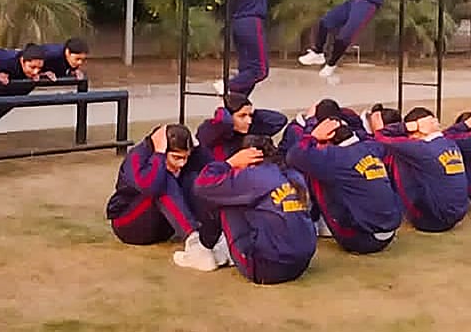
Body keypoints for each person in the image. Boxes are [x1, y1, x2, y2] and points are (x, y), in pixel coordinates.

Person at [192, 134, 316, 284]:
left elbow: (201, 185)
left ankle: (203, 251)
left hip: (267, 270)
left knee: (220, 194)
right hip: (300, 265)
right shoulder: (294, 175)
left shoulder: (254, 176)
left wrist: (230, 162)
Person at [106, 124, 225, 271]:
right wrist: (159, 155)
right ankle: (196, 246)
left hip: (163, 227)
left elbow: (213, 169)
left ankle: (214, 238)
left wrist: (198, 147)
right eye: (176, 158)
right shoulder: (137, 156)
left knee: (196, 178)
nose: (182, 163)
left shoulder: (184, 160)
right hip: (127, 224)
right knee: (163, 180)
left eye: (185, 158)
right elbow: (151, 187)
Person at [287, 118, 402, 254]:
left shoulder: (335, 157)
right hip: (389, 231)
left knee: (314, 171)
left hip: (363, 240)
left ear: (328, 141)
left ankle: (317, 223)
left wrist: (312, 136)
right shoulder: (371, 146)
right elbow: (383, 136)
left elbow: (293, 157)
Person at [370, 107, 469, 233]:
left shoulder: (421, 148)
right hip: (456, 215)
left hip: (431, 220)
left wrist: (410, 126)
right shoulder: (449, 142)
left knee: (396, 156)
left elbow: (380, 135)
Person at [196, 92, 287, 163]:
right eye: (242, 116)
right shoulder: (212, 132)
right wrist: (222, 109)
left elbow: (279, 121)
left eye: (250, 116)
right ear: (228, 115)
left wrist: (252, 112)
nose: (249, 121)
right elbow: (225, 122)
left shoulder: (248, 130)